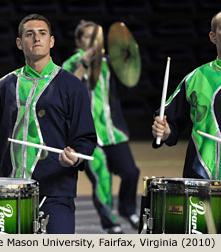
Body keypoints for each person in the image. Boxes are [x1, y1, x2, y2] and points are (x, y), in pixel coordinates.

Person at [0, 14, 97, 234]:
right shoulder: (5, 84)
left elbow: (85, 138)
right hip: (10, 190)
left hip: (56, 192)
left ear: (51, 41)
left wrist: (75, 157)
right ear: (20, 43)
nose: (36, 38)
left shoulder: (72, 86)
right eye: (29, 34)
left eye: (42, 33)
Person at [62, 20, 140, 233]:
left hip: (113, 132)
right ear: (79, 41)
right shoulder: (73, 62)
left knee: (131, 172)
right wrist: (84, 64)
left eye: (97, 37)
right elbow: (65, 86)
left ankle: (127, 208)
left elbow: (129, 75)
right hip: (87, 136)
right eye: (88, 36)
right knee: (102, 178)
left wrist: (128, 54)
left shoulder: (108, 62)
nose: (93, 41)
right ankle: (110, 223)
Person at [152, 11, 221, 180]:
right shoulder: (196, 78)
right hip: (201, 177)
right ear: (213, 37)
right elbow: (169, 123)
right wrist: (165, 131)